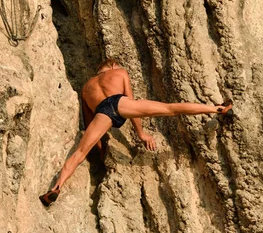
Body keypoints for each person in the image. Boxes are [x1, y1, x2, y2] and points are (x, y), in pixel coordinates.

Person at [39, 58, 233, 206]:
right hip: (119, 102)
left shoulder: (86, 88)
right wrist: (141, 133)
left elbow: (88, 122)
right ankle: (216, 109)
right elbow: (129, 99)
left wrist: (100, 151)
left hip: (101, 112)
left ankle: (56, 187)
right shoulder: (119, 72)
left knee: (79, 153)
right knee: (170, 109)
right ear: (113, 65)